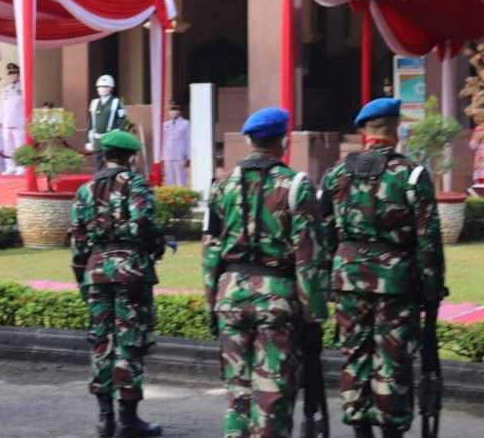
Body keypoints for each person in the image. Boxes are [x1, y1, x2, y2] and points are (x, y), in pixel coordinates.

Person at [320, 98, 445, 438]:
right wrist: (432, 290)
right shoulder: (412, 174)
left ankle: (360, 428)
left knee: (355, 355)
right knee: (392, 360)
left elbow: (324, 233)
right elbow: (428, 240)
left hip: (348, 280)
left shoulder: (335, 174)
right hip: (395, 282)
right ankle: (391, 431)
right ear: (396, 130)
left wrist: (334, 276)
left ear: (363, 131)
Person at [203, 107, 330, 438]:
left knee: (238, 392)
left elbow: (210, 250)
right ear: (283, 141)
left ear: (248, 141)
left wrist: (210, 303)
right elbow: (309, 255)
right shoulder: (296, 185)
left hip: (230, 293)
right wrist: (313, 313)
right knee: (272, 392)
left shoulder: (221, 185)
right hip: (276, 296)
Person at [70, 129, 165, 438]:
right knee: (130, 342)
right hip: (130, 271)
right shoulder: (136, 183)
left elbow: (78, 243)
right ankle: (128, 419)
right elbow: (143, 225)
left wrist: (83, 279)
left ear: (104, 154)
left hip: (96, 270)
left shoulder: (86, 190)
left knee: (101, 341)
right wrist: (157, 243)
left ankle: (104, 418)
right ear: (131, 157)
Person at [86, 75, 128, 170]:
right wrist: (88, 141)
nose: (101, 89)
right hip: (97, 139)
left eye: (104, 86)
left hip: (111, 138)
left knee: (112, 165)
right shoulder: (94, 103)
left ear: (110, 88)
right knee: (98, 166)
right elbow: (90, 124)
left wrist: (119, 138)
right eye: (99, 87)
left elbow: (122, 121)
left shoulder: (116, 102)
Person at [0, 62, 25, 175]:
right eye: (10, 74)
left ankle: (21, 167)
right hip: (7, 121)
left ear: (19, 75)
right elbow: (2, 105)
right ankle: (10, 166)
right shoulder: (6, 89)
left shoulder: (23, 88)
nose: (12, 76)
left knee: (20, 146)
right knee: (8, 146)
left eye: (14, 73)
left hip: (19, 122)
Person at [161, 103, 190, 187]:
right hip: (168, 155)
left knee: (181, 179)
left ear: (179, 111)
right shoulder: (166, 124)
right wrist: (162, 156)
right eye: (171, 110)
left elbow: (188, 139)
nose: (173, 112)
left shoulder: (185, 123)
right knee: (169, 179)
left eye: (175, 110)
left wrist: (188, 156)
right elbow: (163, 140)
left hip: (180, 155)